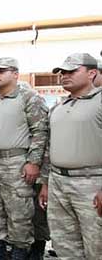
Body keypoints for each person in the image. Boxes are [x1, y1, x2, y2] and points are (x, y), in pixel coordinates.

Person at [0, 57, 49, 260]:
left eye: (1, 71)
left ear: (15, 74)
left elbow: (40, 132)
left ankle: (19, 252)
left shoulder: (29, 98)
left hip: (15, 162)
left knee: (19, 211)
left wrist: (33, 162)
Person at [39, 53, 102, 259]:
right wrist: (46, 184)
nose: (65, 76)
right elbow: (49, 148)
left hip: (91, 184)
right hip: (58, 183)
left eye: (72, 71)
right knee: (65, 245)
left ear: (92, 73)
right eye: (62, 72)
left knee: (96, 245)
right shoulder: (58, 108)